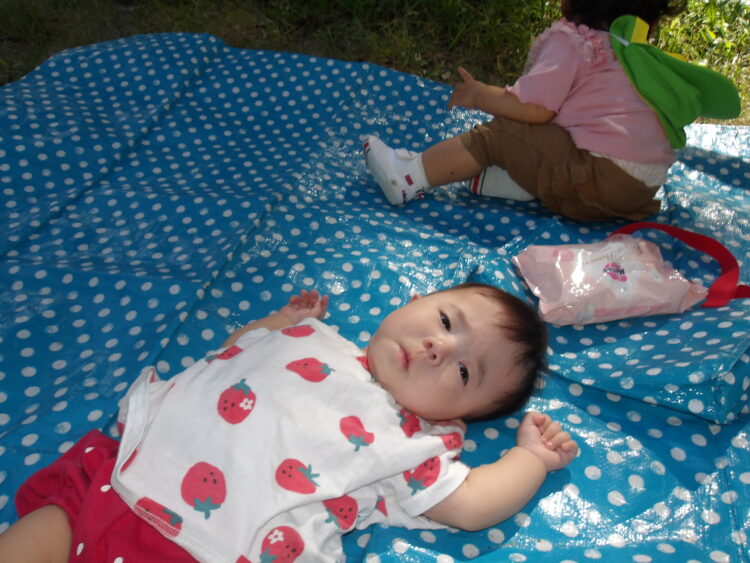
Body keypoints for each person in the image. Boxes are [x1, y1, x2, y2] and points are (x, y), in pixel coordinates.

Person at [0, 284, 578, 562]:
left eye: (464, 371)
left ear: (458, 416)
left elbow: (472, 504)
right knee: (35, 538)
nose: (438, 347)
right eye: (447, 321)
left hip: (215, 550)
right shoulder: (311, 337)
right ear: (418, 300)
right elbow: (230, 357)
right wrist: (278, 321)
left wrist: (530, 458)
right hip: (121, 478)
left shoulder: (412, 442)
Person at [364, 0, 697, 222]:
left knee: (504, 132)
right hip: (637, 193)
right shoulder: (634, 54)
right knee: (551, 137)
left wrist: (480, 95)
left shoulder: (576, 42)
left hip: (596, 179)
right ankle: (513, 182)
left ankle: (408, 176)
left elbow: (534, 109)